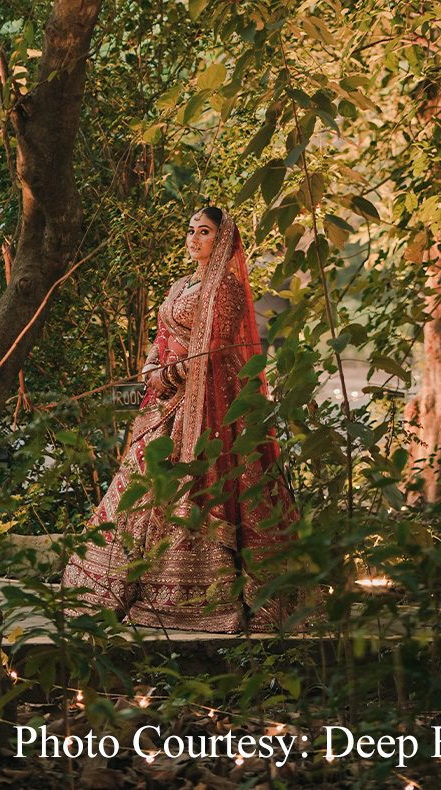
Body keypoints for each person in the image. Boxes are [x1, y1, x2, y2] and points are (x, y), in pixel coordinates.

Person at [62, 206, 298, 632]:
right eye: (190, 231)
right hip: (163, 399)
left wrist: (166, 374)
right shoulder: (181, 283)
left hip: (206, 404)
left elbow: (213, 351)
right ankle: (111, 585)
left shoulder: (223, 286)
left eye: (203, 232)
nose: (193, 239)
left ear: (221, 240)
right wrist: (151, 367)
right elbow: (163, 335)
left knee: (191, 483)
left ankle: (194, 594)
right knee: (138, 484)